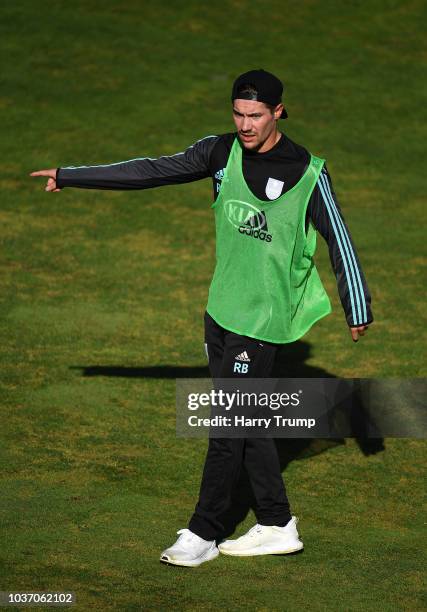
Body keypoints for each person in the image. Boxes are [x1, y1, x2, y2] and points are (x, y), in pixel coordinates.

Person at [31, 69, 373, 567]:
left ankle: (203, 531)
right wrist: (71, 174)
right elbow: (152, 170)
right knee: (247, 419)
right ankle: (277, 523)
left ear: (279, 111)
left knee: (227, 424)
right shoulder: (219, 152)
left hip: (263, 319)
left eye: (255, 115)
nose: (245, 125)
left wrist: (357, 305)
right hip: (221, 311)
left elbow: (339, 239)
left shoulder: (308, 172)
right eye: (238, 113)